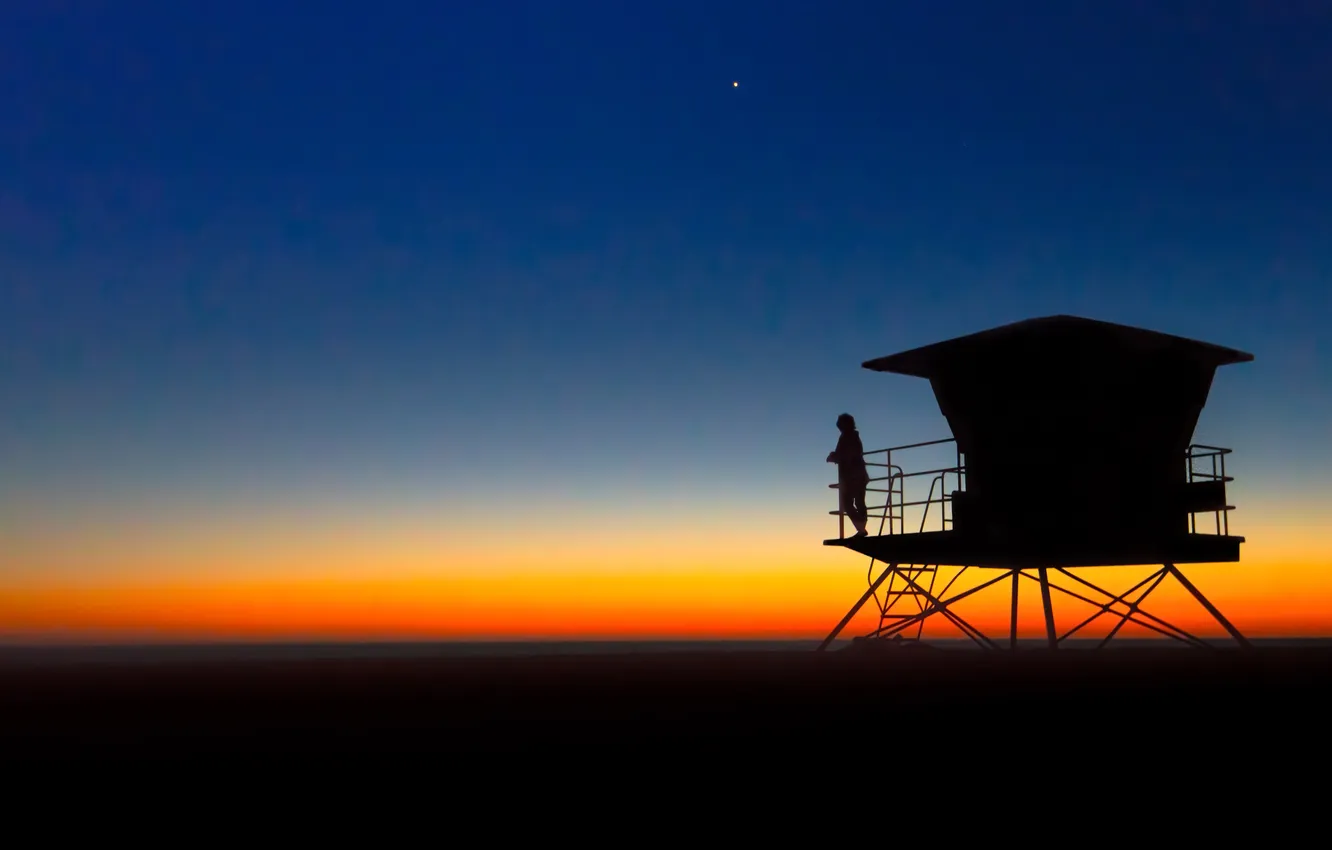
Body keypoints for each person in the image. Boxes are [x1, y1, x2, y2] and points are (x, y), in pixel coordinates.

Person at [827, 413, 870, 537]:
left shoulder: (847, 436)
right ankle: (861, 528)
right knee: (859, 502)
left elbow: (847, 454)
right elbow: (849, 453)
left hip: (853, 476)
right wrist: (835, 456)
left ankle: (861, 528)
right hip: (859, 475)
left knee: (848, 503)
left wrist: (834, 457)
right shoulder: (852, 436)